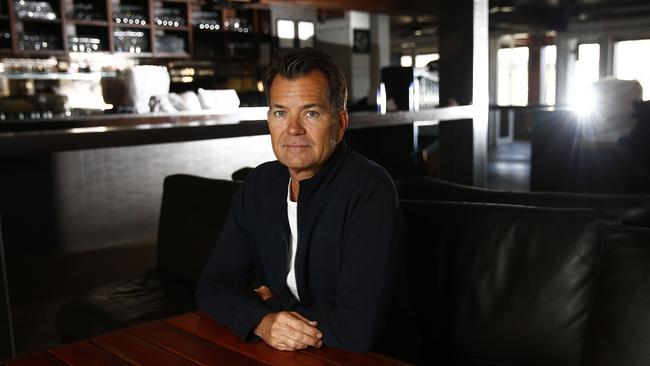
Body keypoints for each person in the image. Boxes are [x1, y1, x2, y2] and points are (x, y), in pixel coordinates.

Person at [196, 47, 407, 356]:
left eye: (311, 112)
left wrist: (270, 306)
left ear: (340, 123)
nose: (293, 129)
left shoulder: (369, 189)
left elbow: (356, 330)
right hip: (288, 354)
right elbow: (212, 287)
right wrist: (262, 321)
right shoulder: (259, 185)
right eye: (281, 112)